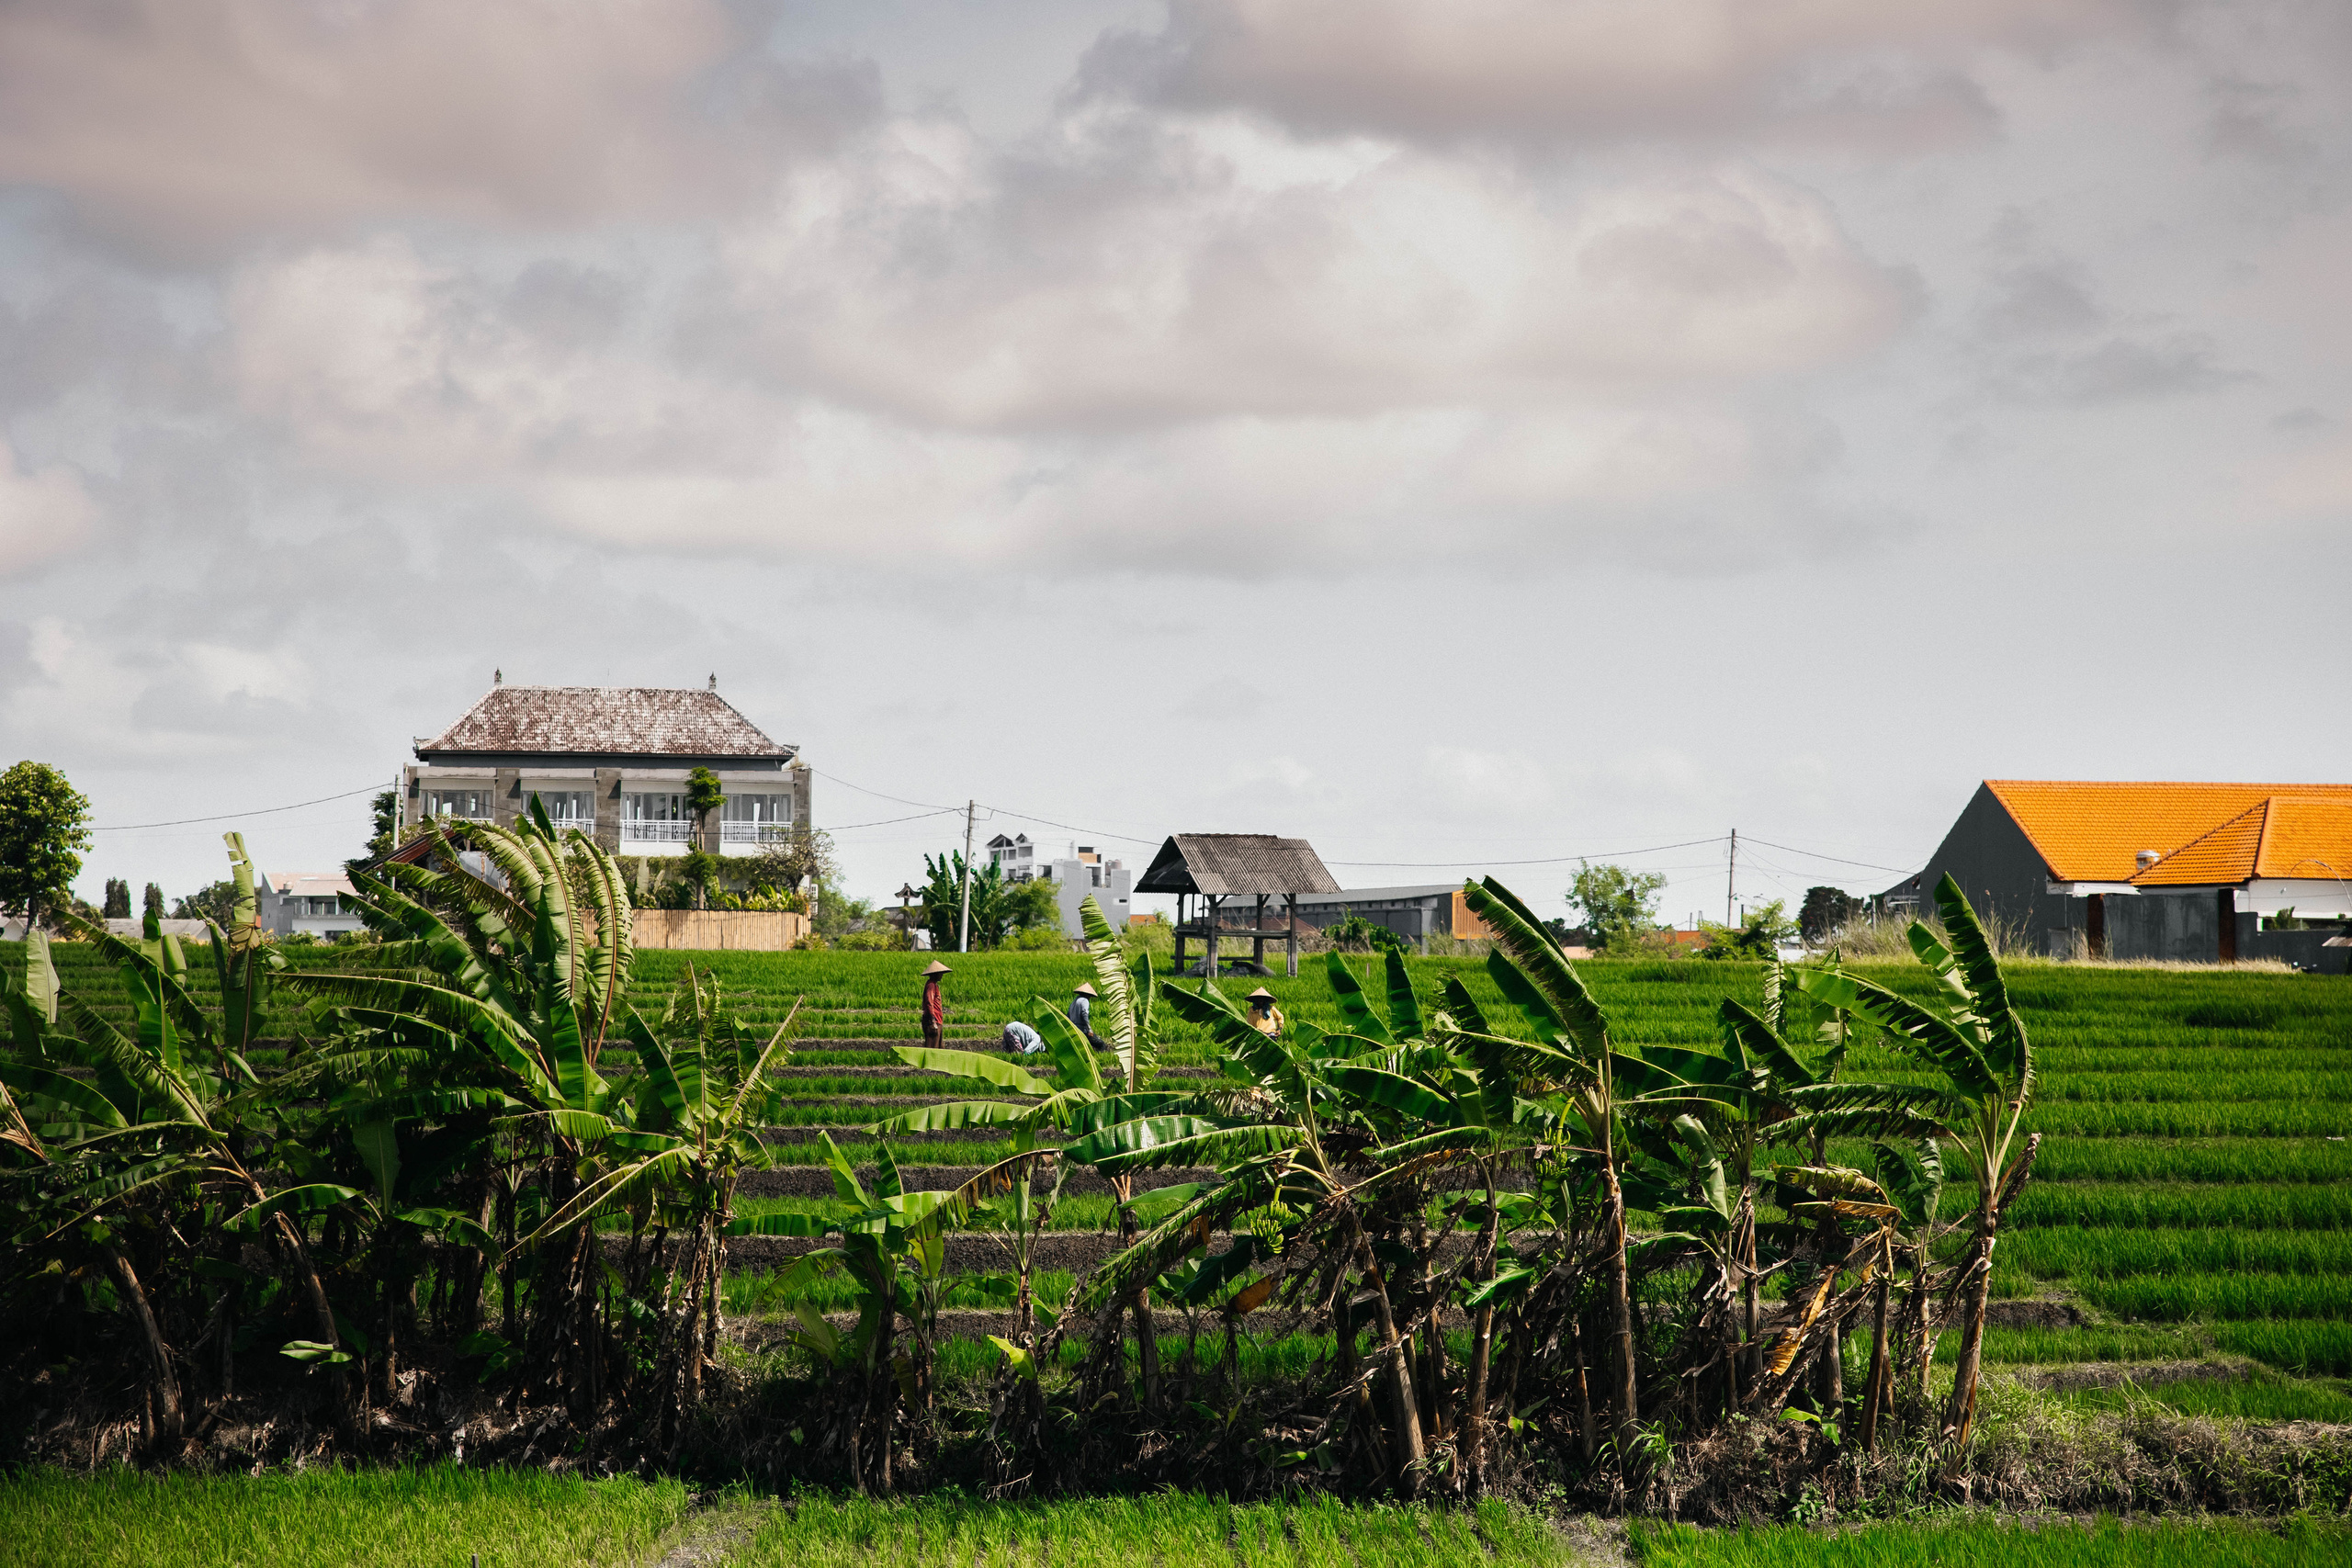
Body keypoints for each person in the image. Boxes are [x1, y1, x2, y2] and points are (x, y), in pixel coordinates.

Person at [1069, 980, 1109, 1050]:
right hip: (1083, 1030)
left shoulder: (1075, 1001)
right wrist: (1089, 1030)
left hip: (1074, 1029)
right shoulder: (1084, 1001)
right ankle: (1099, 1057)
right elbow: (1084, 1014)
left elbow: (1068, 1015)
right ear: (1087, 994)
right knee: (1101, 1044)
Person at [921, 959, 950, 1050]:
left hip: (937, 1020)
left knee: (939, 1048)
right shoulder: (931, 985)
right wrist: (933, 1021)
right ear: (935, 974)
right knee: (932, 1049)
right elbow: (929, 1002)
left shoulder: (934, 985)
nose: (941, 975)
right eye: (940, 973)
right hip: (933, 1021)